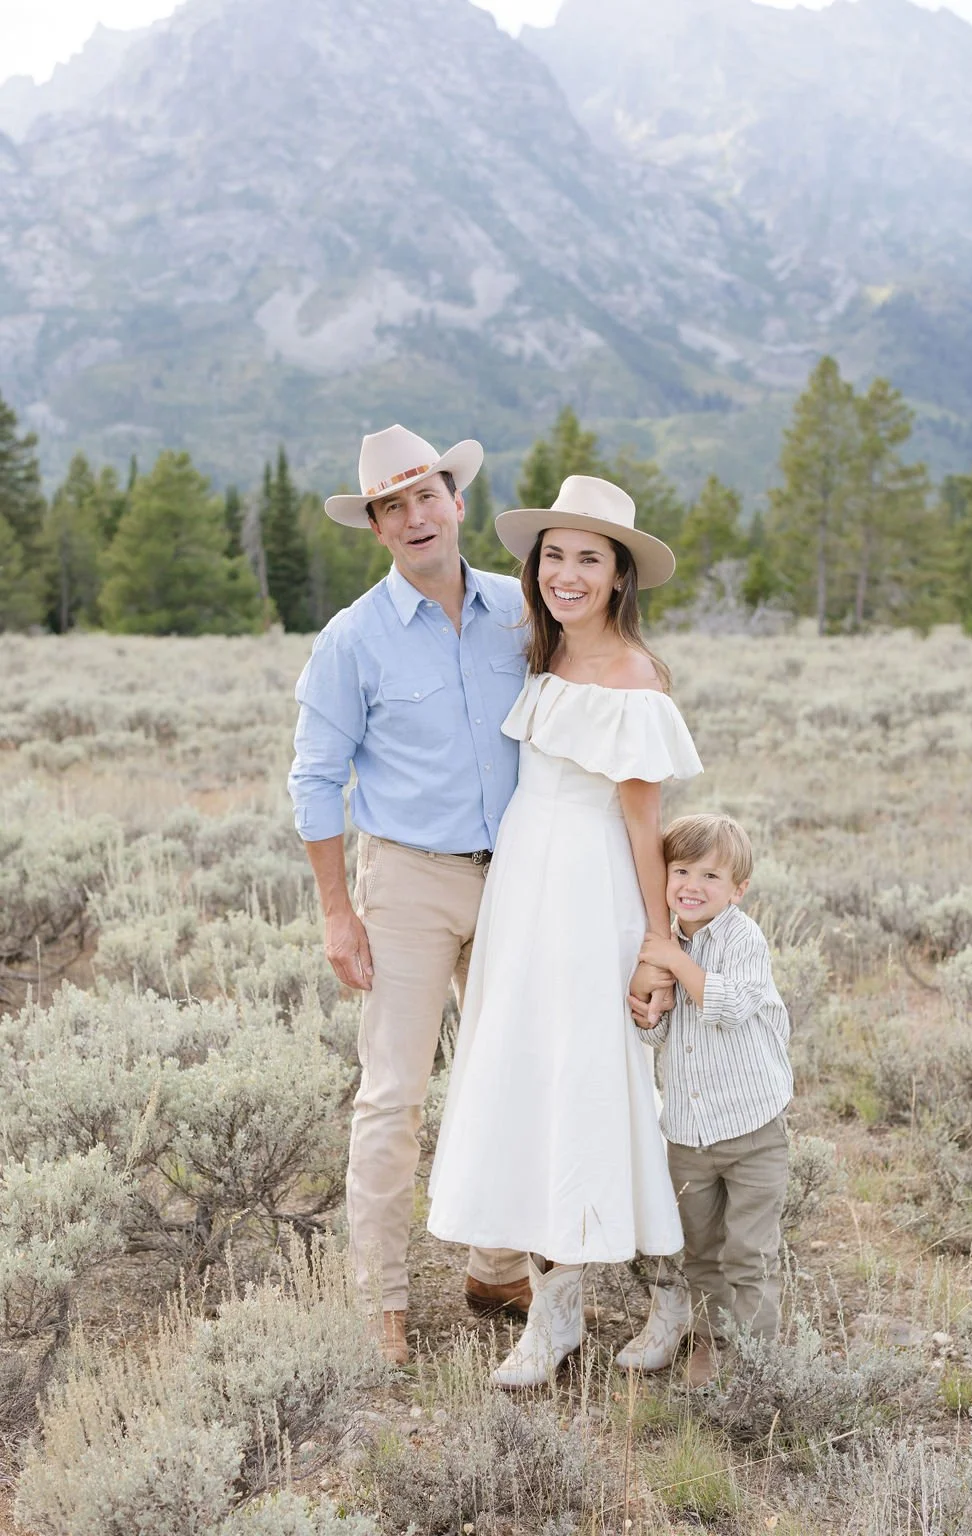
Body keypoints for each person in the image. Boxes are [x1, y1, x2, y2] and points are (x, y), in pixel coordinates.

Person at [427, 474, 704, 1389]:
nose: (567, 574)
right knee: (530, 1086)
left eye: (591, 558)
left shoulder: (634, 681)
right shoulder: (542, 664)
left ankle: (669, 1298)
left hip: (593, 906)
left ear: (621, 576)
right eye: (554, 556)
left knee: (601, 1091)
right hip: (524, 903)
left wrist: (658, 948)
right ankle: (556, 1316)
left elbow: (641, 829)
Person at [288, 424, 532, 1366]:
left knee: (509, 1075)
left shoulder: (522, 611)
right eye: (394, 506)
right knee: (393, 1096)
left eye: (427, 494)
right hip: (409, 884)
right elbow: (315, 779)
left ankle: (498, 1263)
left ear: (457, 501)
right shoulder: (352, 640)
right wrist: (336, 910)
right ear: (379, 528)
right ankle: (380, 1303)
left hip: (517, 877)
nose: (416, 515)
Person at [627, 812, 793, 1386]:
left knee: (748, 1252)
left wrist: (673, 961)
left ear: (738, 889)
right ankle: (709, 1341)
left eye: (711, 876)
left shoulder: (743, 939)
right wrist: (650, 1011)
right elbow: (655, 1036)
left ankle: (753, 1358)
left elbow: (726, 1006)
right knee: (700, 1250)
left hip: (752, 1132)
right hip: (689, 1134)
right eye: (681, 870)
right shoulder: (663, 945)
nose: (693, 885)